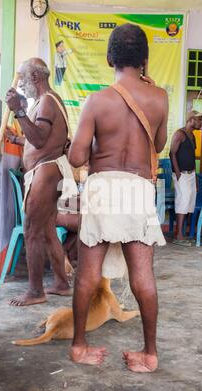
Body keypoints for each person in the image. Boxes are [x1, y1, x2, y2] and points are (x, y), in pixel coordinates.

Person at [68, 23, 168, 372]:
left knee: (87, 275)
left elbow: (76, 158)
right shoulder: (160, 98)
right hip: (139, 189)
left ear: (110, 57)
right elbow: (158, 146)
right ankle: (150, 354)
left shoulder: (97, 101)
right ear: (144, 58)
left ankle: (79, 346)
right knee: (143, 275)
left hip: (102, 188)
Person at [5, 57, 78, 306]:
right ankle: (61, 283)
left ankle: (35, 292)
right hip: (45, 170)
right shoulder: (45, 101)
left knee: (31, 230)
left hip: (46, 172)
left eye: (24, 77)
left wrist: (18, 110)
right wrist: (15, 141)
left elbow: (38, 140)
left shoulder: (46, 101)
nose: (22, 83)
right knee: (47, 232)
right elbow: (41, 140)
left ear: (35, 77)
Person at [170, 110, 202, 246]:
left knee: (188, 204)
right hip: (182, 175)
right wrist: (178, 174)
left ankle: (181, 234)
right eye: (199, 120)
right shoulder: (180, 134)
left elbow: (192, 157)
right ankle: (179, 236)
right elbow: (172, 153)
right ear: (191, 120)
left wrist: (194, 177)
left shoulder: (192, 136)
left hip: (190, 174)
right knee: (182, 203)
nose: (201, 122)